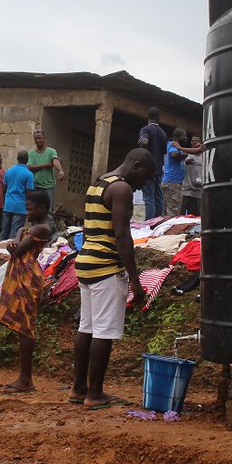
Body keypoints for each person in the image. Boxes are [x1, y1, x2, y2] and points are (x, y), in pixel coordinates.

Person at [71, 149, 155, 410]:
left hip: (86, 263)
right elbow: (122, 235)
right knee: (104, 332)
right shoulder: (121, 189)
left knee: (86, 327)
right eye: (145, 176)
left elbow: (87, 229)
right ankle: (95, 394)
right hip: (106, 267)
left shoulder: (98, 183)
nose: (143, 184)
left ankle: (78, 389)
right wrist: (135, 280)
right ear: (136, 165)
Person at [0, 190, 53, 394]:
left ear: (42, 209)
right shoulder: (34, 228)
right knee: (22, 327)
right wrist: (18, 236)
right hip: (23, 276)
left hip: (28, 278)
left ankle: (26, 379)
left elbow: (17, 249)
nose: (27, 212)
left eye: (30, 209)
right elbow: (18, 239)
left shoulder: (42, 228)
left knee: (26, 327)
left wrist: (17, 239)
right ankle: (24, 377)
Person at [163, 128, 202, 216]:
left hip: (177, 184)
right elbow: (174, 155)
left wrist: (184, 159)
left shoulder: (179, 148)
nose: (186, 138)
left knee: (171, 210)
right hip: (174, 182)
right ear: (179, 137)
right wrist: (185, 155)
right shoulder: (173, 145)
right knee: (174, 212)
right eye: (184, 136)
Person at [27, 130, 66, 217]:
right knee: (34, 210)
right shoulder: (31, 153)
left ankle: (49, 226)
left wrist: (60, 170)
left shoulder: (51, 151)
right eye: (36, 138)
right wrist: (47, 165)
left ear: (44, 138)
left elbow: (55, 160)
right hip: (35, 186)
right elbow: (29, 168)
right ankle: (36, 226)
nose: (38, 140)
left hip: (48, 187)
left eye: (40, 138)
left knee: (48, 211)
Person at [137, 107, 167, 218]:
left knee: (149, 198)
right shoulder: (163, 133)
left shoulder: (145, 130)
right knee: (159, 199)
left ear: (148, 117)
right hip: (158, 169)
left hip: (147, 169)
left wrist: (142, 147)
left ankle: (149, 223)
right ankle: (156, 222)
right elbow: (164, 152)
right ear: (159, 118)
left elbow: (144, 141)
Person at [0, 151, 35, 241]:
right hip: (20, 206)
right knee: (15, 233)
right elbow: (29, 193)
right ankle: (11, 249)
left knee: (4, 230)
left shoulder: (8, 171)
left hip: (8, 205)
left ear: (17, 159)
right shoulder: (29, 174)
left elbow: (4, 188)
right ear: (27, 160)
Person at [181, 135, 204, 216]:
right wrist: (186, 162)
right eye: (192, 140)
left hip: (198, 192)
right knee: (181, 215)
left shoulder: (204, 157)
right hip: (186, 190)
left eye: (196, 141)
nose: (194, 142)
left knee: (194, 216)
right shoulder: (186, 155)